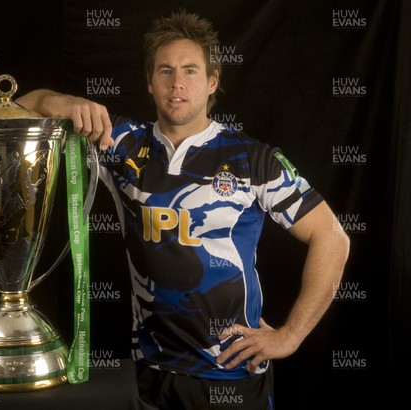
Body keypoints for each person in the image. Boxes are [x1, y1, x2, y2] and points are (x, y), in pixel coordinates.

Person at [17, 10, 349, 410]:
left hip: (233, 375)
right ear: (149, 82)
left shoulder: (253, 159)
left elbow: (332, 237)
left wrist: (291, 334)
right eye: (165, 71)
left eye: (191, 71)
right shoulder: (118, 144)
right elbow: (14, 111)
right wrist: (64, 102)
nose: (177, 84)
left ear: (212, 82)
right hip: (148, 376)